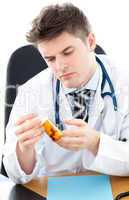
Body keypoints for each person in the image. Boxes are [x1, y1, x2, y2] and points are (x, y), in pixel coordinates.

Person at [3, 3, 129, 184]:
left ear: (90, 42)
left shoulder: (124, 82)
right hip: (48, 191)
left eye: (67, 52)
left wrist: (96, 143)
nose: (59, 67)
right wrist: (24, 149)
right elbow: (15, 175)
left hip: (111, 188)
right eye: (50, 59)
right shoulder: (32, 91)